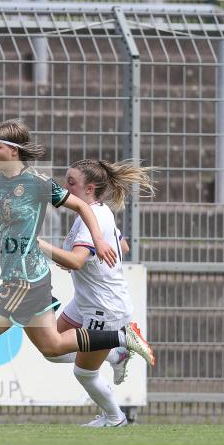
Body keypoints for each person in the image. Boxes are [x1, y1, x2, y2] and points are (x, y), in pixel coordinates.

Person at [0, 119, 153, 426]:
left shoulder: (38, 184)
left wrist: (97, 240)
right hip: (20, 275)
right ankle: (118, 343)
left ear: (13, 151)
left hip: (26, 278)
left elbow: (83, 207)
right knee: (51, 348)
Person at [37, 159, 155, 427]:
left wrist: (39, 244)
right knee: (50, 348)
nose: (65, 188)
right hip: (86, 301)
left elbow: (77, 260)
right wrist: (82, 261)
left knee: (84, 372)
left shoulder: (95, 217)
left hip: (104, 307)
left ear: (89, 189)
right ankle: (115, 353)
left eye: (71, 183)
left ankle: (115, 418)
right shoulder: (96, 212)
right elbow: (121, 246)